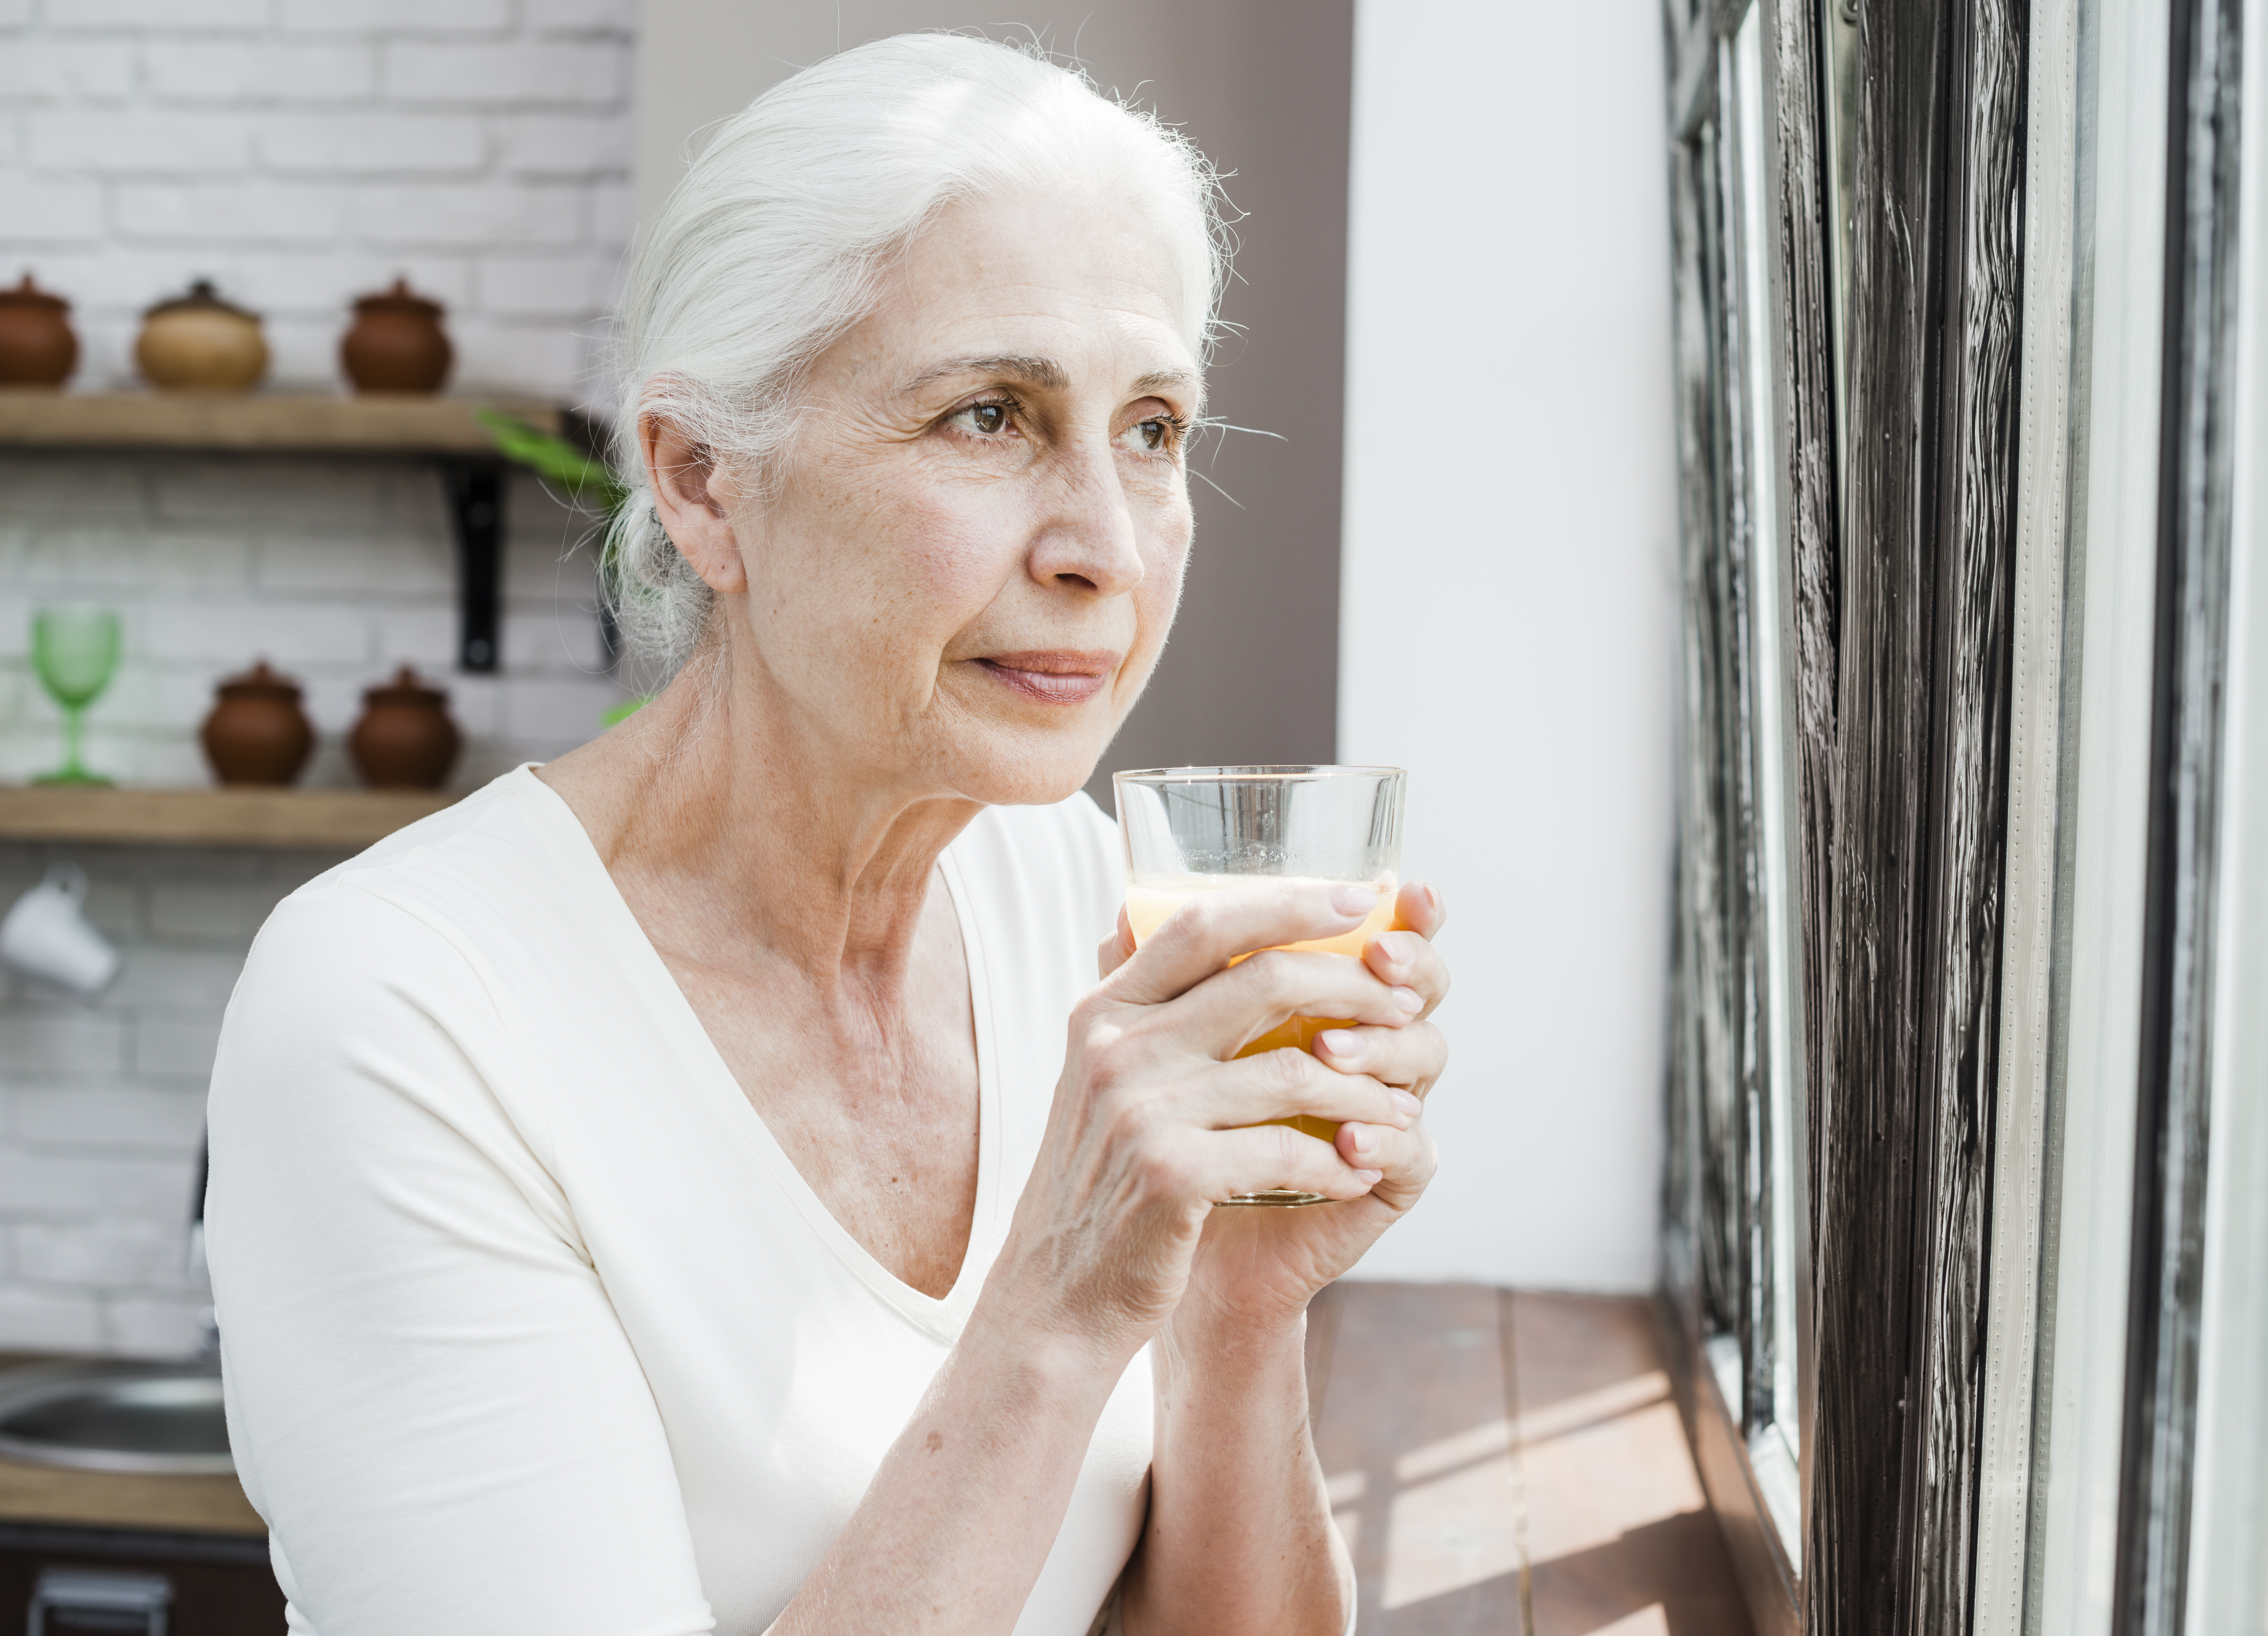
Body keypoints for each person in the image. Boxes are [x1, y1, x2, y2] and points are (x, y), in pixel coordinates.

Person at [205, 34, 1449, 1636]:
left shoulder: (1079, 893)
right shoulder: (399, 1011)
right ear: (705, 482)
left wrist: (1235, 1304)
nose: (1104, 546)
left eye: (1151, 429)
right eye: (989, 416)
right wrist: (1057, 1314)